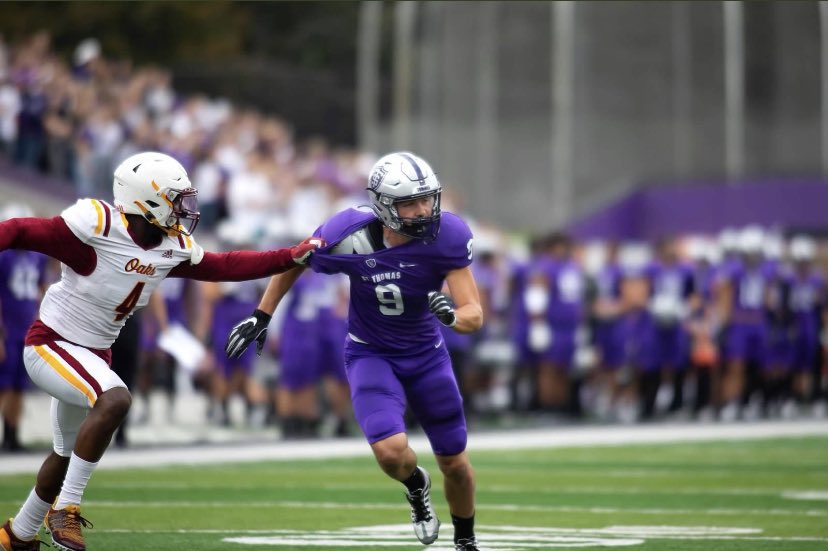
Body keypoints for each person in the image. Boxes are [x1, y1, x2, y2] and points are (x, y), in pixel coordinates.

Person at [0, 151, 322, 551]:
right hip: (52, 344)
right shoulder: (96, 225)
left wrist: (289, 255)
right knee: (116, 399)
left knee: (65, 454)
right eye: (175, 199)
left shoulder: (171, 245)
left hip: (94, 355)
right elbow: (18, 230)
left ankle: (18, 534)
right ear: (146, 199)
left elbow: (226, 265)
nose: (184, 209)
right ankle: (65, 509)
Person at [226, 151, 484, 551]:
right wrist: (262, 314)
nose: (423, 210)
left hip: (427, 356)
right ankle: (416, 485)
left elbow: (474, 313)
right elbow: (295, 259)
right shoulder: (347, 233)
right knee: (390, 453)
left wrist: (451, 317)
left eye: (426, 198)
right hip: (371, 354)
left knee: (455, 463)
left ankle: (465, 541)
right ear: (383, 205)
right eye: (410, 203)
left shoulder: (447, 234)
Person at [0, 204, 49, 453]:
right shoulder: (3, 257)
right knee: (4, 385)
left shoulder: (36, 257)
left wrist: (44, 315)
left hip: (27, 329)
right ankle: (7, 433)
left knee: (19, 385)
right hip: (8, 329)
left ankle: (13, 435)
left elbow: (42, 288)